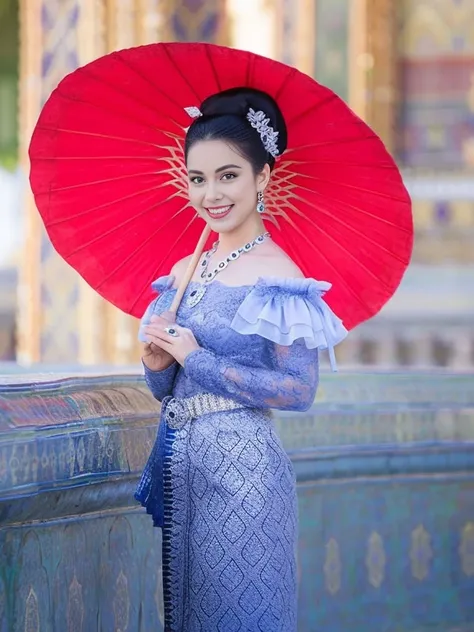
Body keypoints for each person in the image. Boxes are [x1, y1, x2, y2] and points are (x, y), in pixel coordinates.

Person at [135, 87, 347, 631]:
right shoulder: (184, 269)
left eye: (229, 176)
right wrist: (158, 365)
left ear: (263, 179)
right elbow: (168, 391)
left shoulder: (278, 277)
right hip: (182, 471)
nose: (212, 195)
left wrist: (197, 357)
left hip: (245, 476)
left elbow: (299, 390)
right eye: (198, 179)